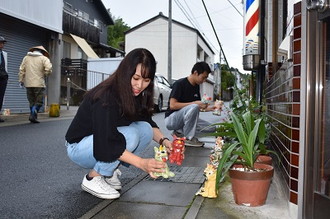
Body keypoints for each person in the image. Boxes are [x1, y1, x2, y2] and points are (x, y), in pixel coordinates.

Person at [65, 48, 173, 200]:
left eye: (146, 80)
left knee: (145, 129)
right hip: (79, 146)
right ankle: (93, 177)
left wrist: (164, 141)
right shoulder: (105, 96)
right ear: (125, 72)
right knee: (130, 135)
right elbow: (106, 140)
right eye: (136, 78)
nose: (140, 85)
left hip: (102, 141)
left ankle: (108, 171)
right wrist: (142, 163)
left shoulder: (135, 93)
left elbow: (146, 120)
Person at [164, 61, 216, 147]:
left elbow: (195, 109)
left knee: (212, 128)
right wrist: (194, 103)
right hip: (172, 119)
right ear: (195, 73)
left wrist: (210, 108)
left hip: (185, 120)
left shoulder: (196, 86)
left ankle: (179, 132)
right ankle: (188, 138)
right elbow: (172, 105)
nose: (204, 81)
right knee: (194, 106)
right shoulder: (180, 84)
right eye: (203, 77)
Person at [18, 46, 52, 123]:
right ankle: (33, 114)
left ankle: (33, 116)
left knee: (32, 101)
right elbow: (48, 69)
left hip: (28, 83)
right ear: (42, 52)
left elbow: (21, 70)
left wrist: (21, 80)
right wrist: (45, 74)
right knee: (39, 102)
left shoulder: (26, 58)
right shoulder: (44, 59)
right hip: (39, 83)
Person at [0, 36, 8, 123]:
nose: (2, 45)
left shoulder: (4, 54)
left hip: (3, 78)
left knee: (1, 97)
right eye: (1, 43)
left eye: (3, 43)